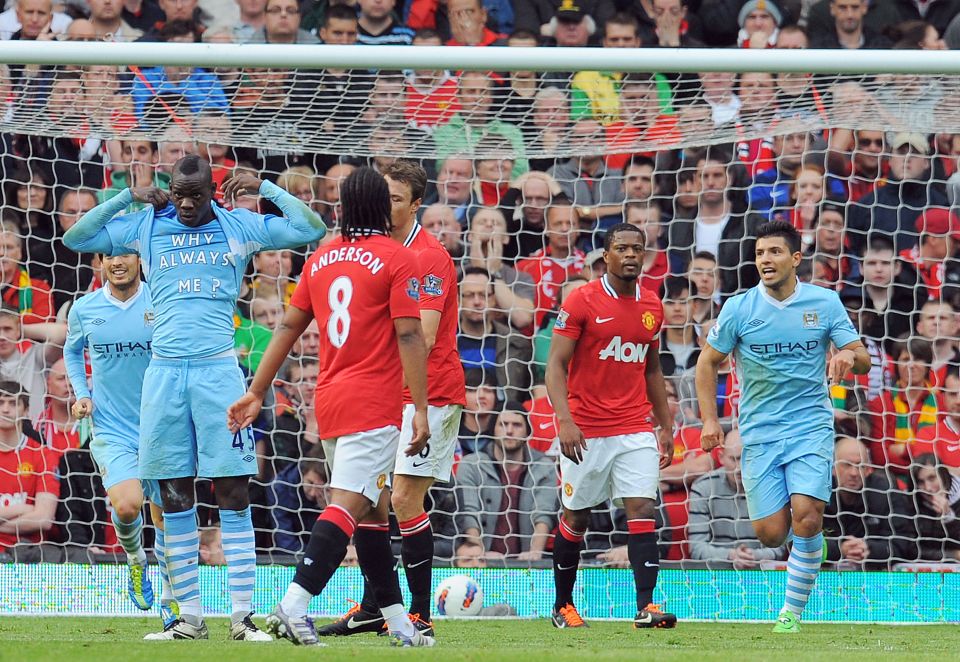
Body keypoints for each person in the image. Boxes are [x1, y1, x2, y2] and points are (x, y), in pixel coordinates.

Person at [63, 154, 326, 641]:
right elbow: (75, 239)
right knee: (173, 493)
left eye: (195, 195)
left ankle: (242, 617)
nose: (185, 204)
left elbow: (310, 228)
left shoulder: (240, 224)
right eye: (178, 194)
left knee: (231, 491)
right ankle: (189, 618)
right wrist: (127, 196)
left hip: (218, 374)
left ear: (212, 191)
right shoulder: (147, 224)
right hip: (162, 377)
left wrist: (266, 186)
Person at [227, 167, 433, 647]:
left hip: (331, 397)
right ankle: (294, 604)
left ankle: (399, 621)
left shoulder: (320, 259)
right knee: (350, 503)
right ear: (383, 206)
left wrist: (257, 390)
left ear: (342, 208)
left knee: (376, 513)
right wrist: (420, 408)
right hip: (374, 399)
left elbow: (286, 328)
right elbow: (409, 334)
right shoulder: (397, 259)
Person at [696, 220, 870, 633]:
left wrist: (848, 358)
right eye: (759, 254)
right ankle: (813, 545)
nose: (765, 260)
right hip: (759, 431)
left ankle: (789, 614)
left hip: (811, 425)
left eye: (774, 252)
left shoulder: (824, 303)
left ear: (795, 259)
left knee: (806, 516)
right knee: (772, 534)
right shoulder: (739, 309)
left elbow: (862, 357)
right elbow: (706, 363)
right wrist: (708, 420)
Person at [319, 161, 465, 639]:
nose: (385, 206)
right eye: (382, 197)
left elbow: (420, 333)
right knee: (371, 500)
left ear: (415, 204)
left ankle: (420, 611)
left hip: (431, 390)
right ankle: (373, 607)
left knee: (403, 497)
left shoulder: (427, 256)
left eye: (396, 199)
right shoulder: (369, 253)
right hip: (382, 393)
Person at [545, 222, 677, 630]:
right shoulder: (582, 301)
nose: (631, 255)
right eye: (622, 248)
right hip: (585, 430)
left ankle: (646, 607)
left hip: (634, 427)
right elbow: (554, 366)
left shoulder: (653, 305)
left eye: (638, 248)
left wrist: (666, 425)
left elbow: (652, 369)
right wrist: (564, 421)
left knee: (641, 508)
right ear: (607, 255)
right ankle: (562, 606)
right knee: (576, 518)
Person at [63, 252, 175, 629]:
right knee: (127, 507)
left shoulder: (160, 300)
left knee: (164, 519)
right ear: (100, 261)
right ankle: (134, 559)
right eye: (110, 255)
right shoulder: (85, 308)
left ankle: (169, 597)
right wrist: (82, 393)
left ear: (140, 258)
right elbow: (72, 350)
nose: (118, 261)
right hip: (112, 427)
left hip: (162, 424)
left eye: (126, 253)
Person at [687, 430, 787, 567]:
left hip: (760, 573)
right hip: (716, 575)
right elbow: (696, 549)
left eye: (746, 460)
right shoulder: (703, 488)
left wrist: (753, 556)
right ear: (721, 458)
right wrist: (730, 556)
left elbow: (780, 548)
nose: (739, 467)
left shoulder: (770, 486)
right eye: (734, 459)